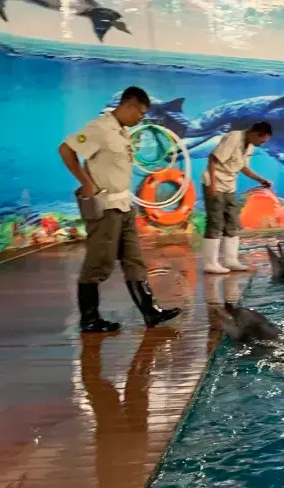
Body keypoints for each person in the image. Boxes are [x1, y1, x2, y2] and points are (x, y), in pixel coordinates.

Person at [60, 86, 182, 333]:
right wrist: (86, 182)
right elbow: (66, 150)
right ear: (129, 105)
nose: (141, 118)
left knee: (134, 259)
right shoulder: (100, 128)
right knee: (99, 261)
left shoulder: (122, 131)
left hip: (124, 206)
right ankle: (89, 318)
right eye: (140, 112)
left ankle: (151, 312)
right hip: (106, 207)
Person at [202, 121, 274, 274]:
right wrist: (212, 185)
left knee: (232, 222)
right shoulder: (233, 138)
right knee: (215, 222)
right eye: (261, 141)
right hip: (215, 184)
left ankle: (231, 260)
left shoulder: (250, 145)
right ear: (255, 134)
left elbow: (243, 167)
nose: (261, 144)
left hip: (229, 186)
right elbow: (213, 159)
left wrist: (260, 180)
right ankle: (210, 263)